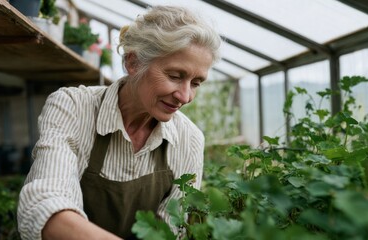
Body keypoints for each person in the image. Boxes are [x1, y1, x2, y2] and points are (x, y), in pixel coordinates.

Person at [17, 5, 221, 240]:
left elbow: (172, 231)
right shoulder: (73, 108)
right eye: (175, 76)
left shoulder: (189, 139)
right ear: (133, 63)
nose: (185, 97)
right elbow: (46, 206)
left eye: (196, 83)